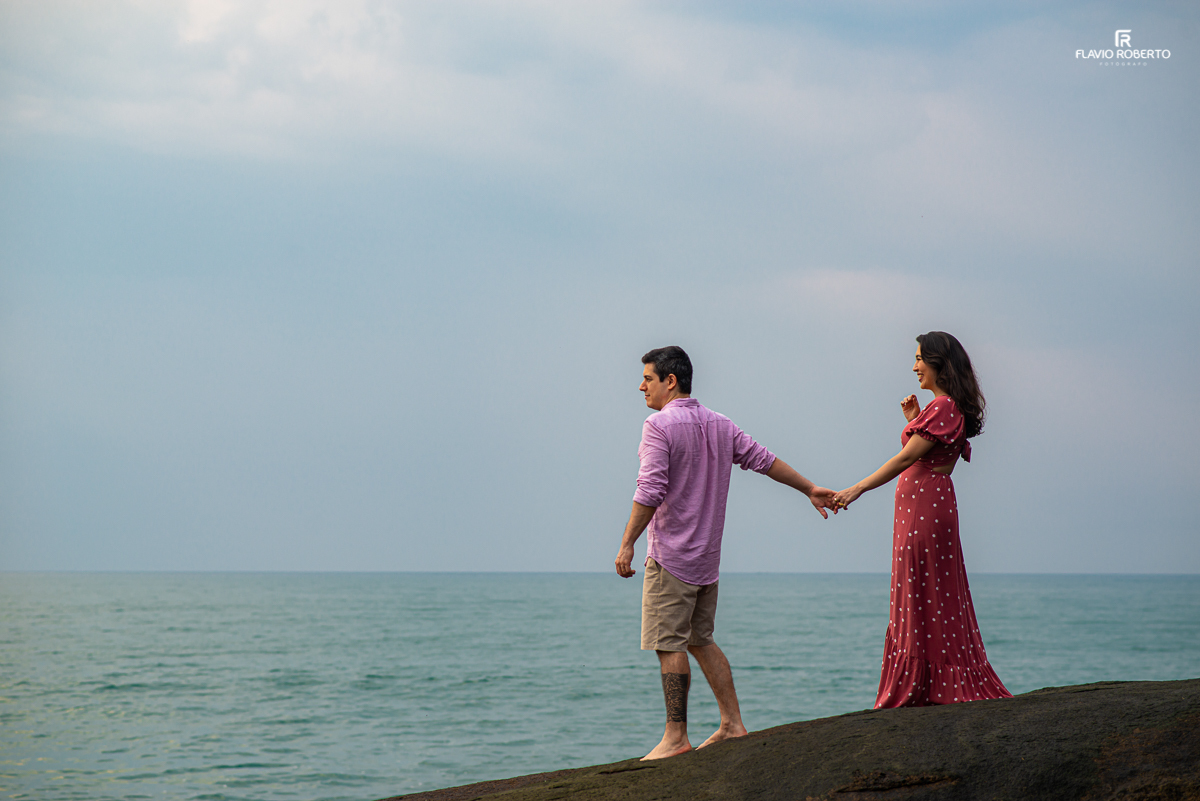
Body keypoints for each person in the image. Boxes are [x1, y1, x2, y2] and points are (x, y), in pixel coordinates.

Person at [615, 345, 836, 759]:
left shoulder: (658, 425)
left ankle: (675, 738)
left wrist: (627, 543)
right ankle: (733, 724)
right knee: (701, 639)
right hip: (706, 562)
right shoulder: (720, 424)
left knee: (670, 645)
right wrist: (808, 488)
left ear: (670, 381)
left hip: (671, 558)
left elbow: (650, 490)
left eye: (647, 378)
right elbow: (764, 460)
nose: (640, 385)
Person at [832, 332, 1011, 709]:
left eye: (918, 359)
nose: (914, 367)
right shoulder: (942, 409)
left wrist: (855, 489)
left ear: (938, 364)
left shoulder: (945, 408)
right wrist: (916, 419)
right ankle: (930, 680)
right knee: (930, 589)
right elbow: (934, 451)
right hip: (926, 506)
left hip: (923, 510)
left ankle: (920, 683)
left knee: (919, 589)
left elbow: (904, 460)